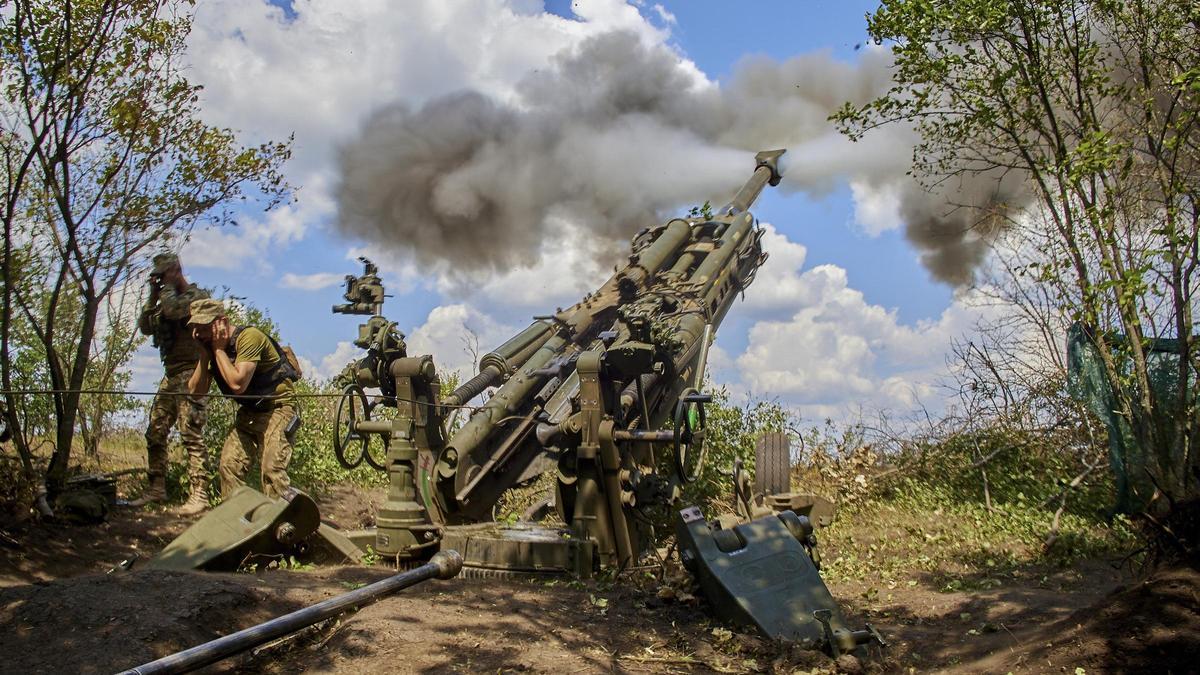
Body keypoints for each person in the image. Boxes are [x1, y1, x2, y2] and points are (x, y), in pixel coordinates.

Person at [187, 299, 301, 499]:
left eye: (204, 327)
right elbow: (196, 392)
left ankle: (281, 524)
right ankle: (237, 522)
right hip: (249, 414)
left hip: (278, 409)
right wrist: (205, 356)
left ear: (221, 322)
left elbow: (238, 385)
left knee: (272, 471)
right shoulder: (211, 349)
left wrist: (218, 350)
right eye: (196, 328)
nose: (200, 333)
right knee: (229, 467)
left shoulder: (249, 338)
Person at [132, 253, 210, 513]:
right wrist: (152, 295)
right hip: (171, 374)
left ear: (176, 270)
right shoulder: (163, 298)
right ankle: (156, 489)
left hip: (192, 371)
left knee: (191, 433)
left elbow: (174, 310)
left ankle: (199, 494)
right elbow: (145, 326)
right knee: (155, 430)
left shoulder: (196, 297)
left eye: (165, 274)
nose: (162, 280)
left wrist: (165, 289)